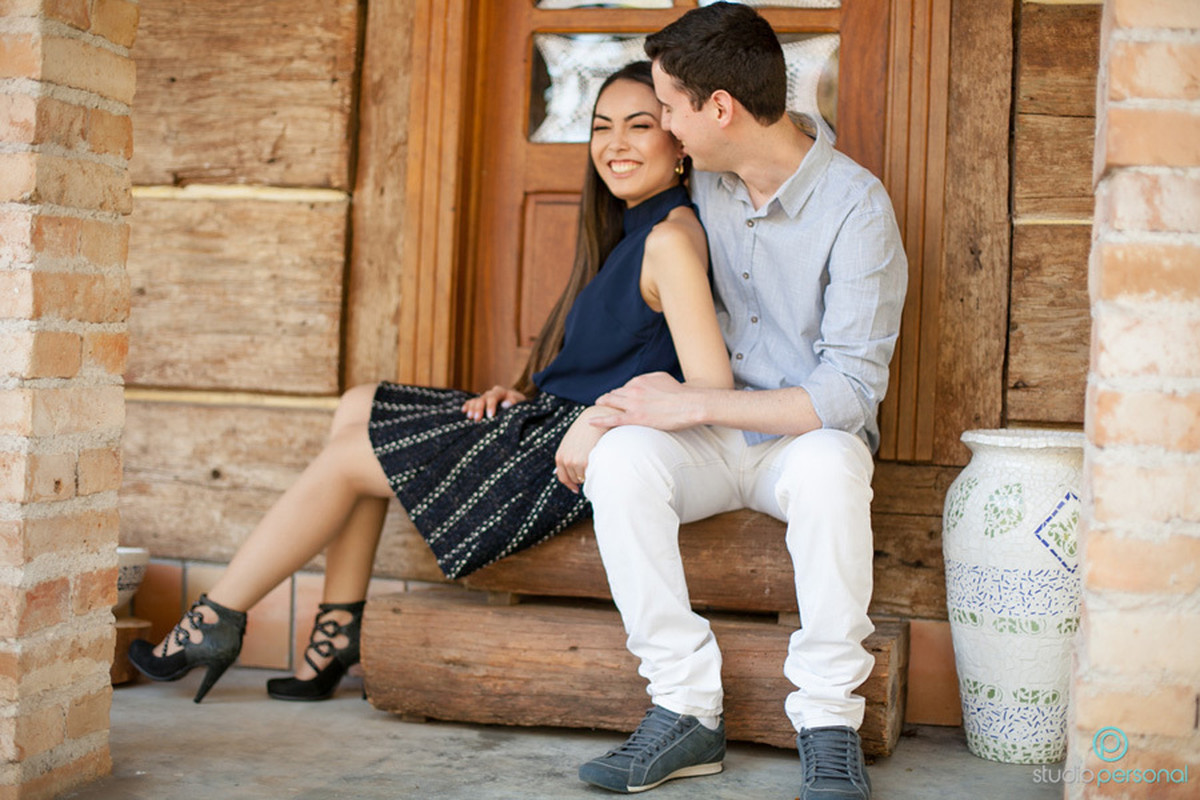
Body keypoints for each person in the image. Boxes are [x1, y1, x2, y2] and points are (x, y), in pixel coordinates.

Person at [127, 61, 732, 706]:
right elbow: (613, 350)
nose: (616, 144)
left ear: (679, 143)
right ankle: (336, 636)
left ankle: (215, 619)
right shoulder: (627, 230)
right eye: (601, 126)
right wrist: (523, 392)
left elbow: (710, 387)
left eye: (640, 126)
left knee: (351, 459)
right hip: (546, 418)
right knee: (360, 404)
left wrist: (598, 418)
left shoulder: (669, 238)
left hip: (572, 454)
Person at [574, 5, 907, 799]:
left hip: (797, 443)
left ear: (718, 108)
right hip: (717, 440)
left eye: (669, 111)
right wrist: (605, 412)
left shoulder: (858, 209)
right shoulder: (708, 186)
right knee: (621, 462)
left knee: (833, 464)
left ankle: (829, 721)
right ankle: (684, 708)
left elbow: (848, 395)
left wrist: (698, 406)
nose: (665, 131)